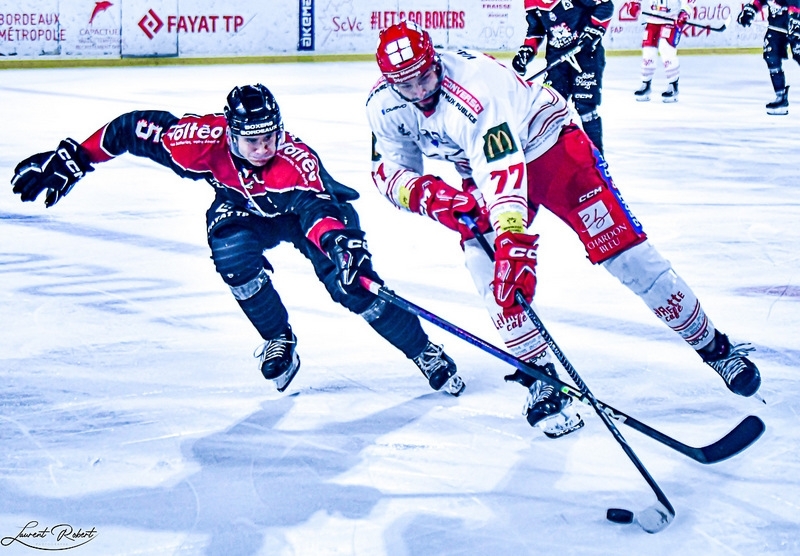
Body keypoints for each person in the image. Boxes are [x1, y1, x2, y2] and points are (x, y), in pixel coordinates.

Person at [367, 21, 761, 438]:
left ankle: (715, 347)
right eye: (405, 85)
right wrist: (431, 197)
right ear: (389, 84)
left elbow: (503, 168)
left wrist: (513, 241)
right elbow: (388, 169)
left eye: (426, 76)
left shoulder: (474, 89)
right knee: (486, 270)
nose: (420, 91)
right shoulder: (383, 105)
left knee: (626, 255)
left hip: (552, 151)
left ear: (436, 62)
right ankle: (541, 379)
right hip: (483, 171)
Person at [11, 83, 465, 396]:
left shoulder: (295, 162)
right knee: (230, 253)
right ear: (229, 134)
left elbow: (318, 210)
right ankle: (278, 339)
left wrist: (341, 246)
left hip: (308, 216)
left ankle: (422, 349)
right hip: (244, 208)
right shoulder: (196, 141)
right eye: (253, 141)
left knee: (354, 287)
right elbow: (132, 128)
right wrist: (78, 157)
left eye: (271, 136)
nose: (265, 147)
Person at [510, 0, 613, 154]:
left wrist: (593, 31)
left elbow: (605, 5)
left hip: (585, 55)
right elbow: (536, 28)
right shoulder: (531, 1)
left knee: (585, 107)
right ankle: (557, 160)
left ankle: (598, 159)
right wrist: (527, 51)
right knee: (551, 108)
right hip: (557, 59)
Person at [737, 0, 800, 115]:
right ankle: (780, 97)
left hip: (795, 22)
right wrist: (749, 11)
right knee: (771, 55)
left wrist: (795, 21)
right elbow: (759, 1)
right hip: (776, 26)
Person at [629, 0, 690, 102]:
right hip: (653, 19)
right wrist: (634, 3)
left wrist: (685, 11)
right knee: (648, 50)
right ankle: (645, 84)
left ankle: (673, 85)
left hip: (672, 19)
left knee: (666, 49)